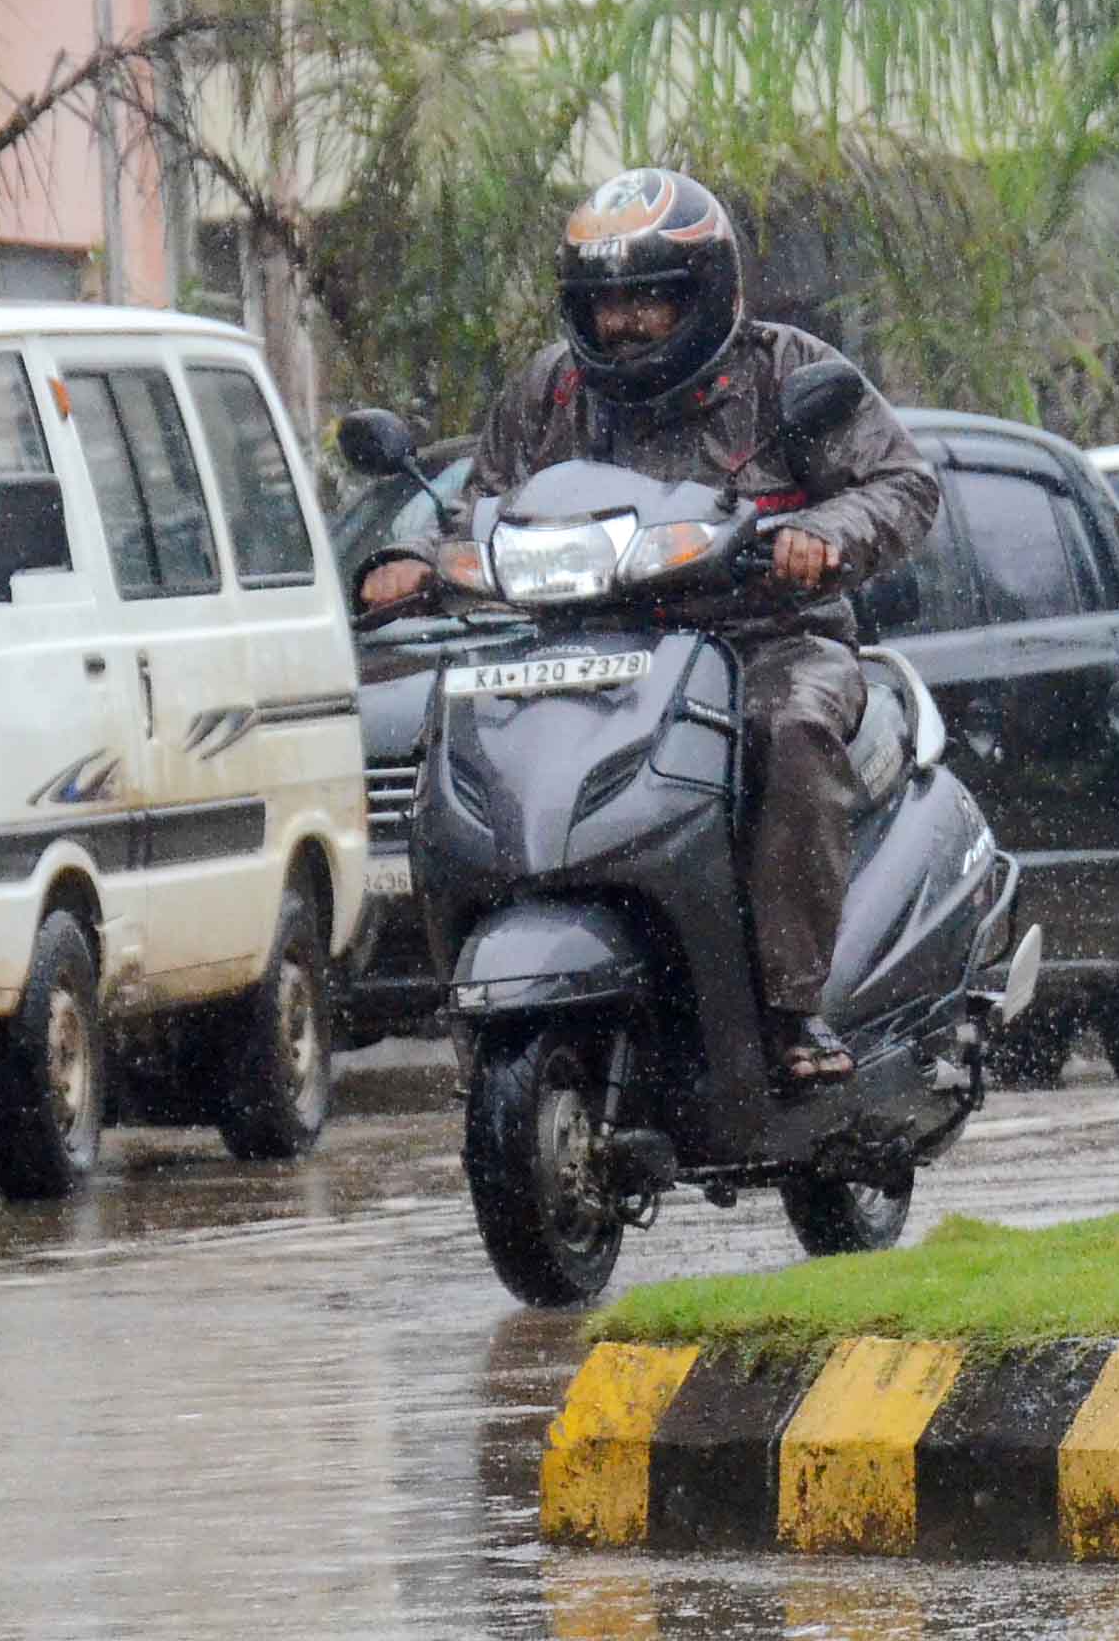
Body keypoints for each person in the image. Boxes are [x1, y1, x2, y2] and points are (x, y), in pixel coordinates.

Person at [360, 168, 939, 1092]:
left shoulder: (787, 371)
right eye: (604, 305)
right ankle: (477, 1010)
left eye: (649, 304)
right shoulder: (551, 392)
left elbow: (904, 485)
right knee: (453, 736)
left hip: (765, 638)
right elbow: (478, 508)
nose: (623, 324)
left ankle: (793, 1006)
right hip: (573, 650)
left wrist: (819, 539)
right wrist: (419, 562)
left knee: (787, 732)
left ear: (705, 296)